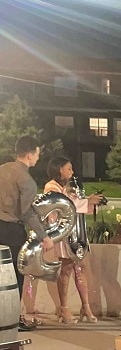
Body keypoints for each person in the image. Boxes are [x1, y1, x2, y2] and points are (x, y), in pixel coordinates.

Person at [0, 135, 54, 330]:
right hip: (11, 232)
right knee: (14, 277)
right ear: (30, 155)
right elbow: (27, 213)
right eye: (38, 154)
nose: (38, 159)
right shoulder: (27, 181)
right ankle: (12, 320)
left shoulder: (2, 169)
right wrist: (44, 237)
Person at [44, 156, 103, 323]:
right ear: (59, 169)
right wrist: (85, 201)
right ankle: (64, 309)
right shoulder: (51, 188)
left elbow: (75, 203)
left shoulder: (67, 187)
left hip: (76, 234)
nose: (72, 171)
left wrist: (90, 201)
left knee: (81, 267)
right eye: (69, 168)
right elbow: (64, 206)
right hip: (63, 235)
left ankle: (85, 306)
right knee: (67, 269)